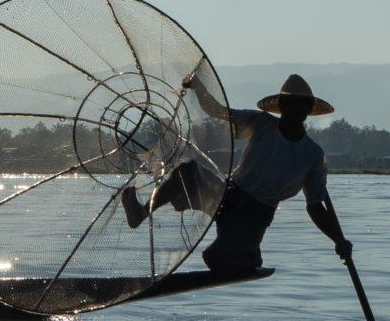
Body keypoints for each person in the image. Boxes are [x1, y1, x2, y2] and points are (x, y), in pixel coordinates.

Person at [121, 72, 353, 275]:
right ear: (281, 106)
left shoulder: (312, 154)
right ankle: (141, 213)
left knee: (214, 257)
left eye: (301, 105)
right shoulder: (261, 123)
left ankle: (247, 253)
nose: (294, 110)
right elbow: (217, 111)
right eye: (289, 104)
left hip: (255, 214)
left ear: (307, 110)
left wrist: (338, 240)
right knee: (186, 172)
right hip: (228, 195)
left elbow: (315, 205)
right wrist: (198, 87)